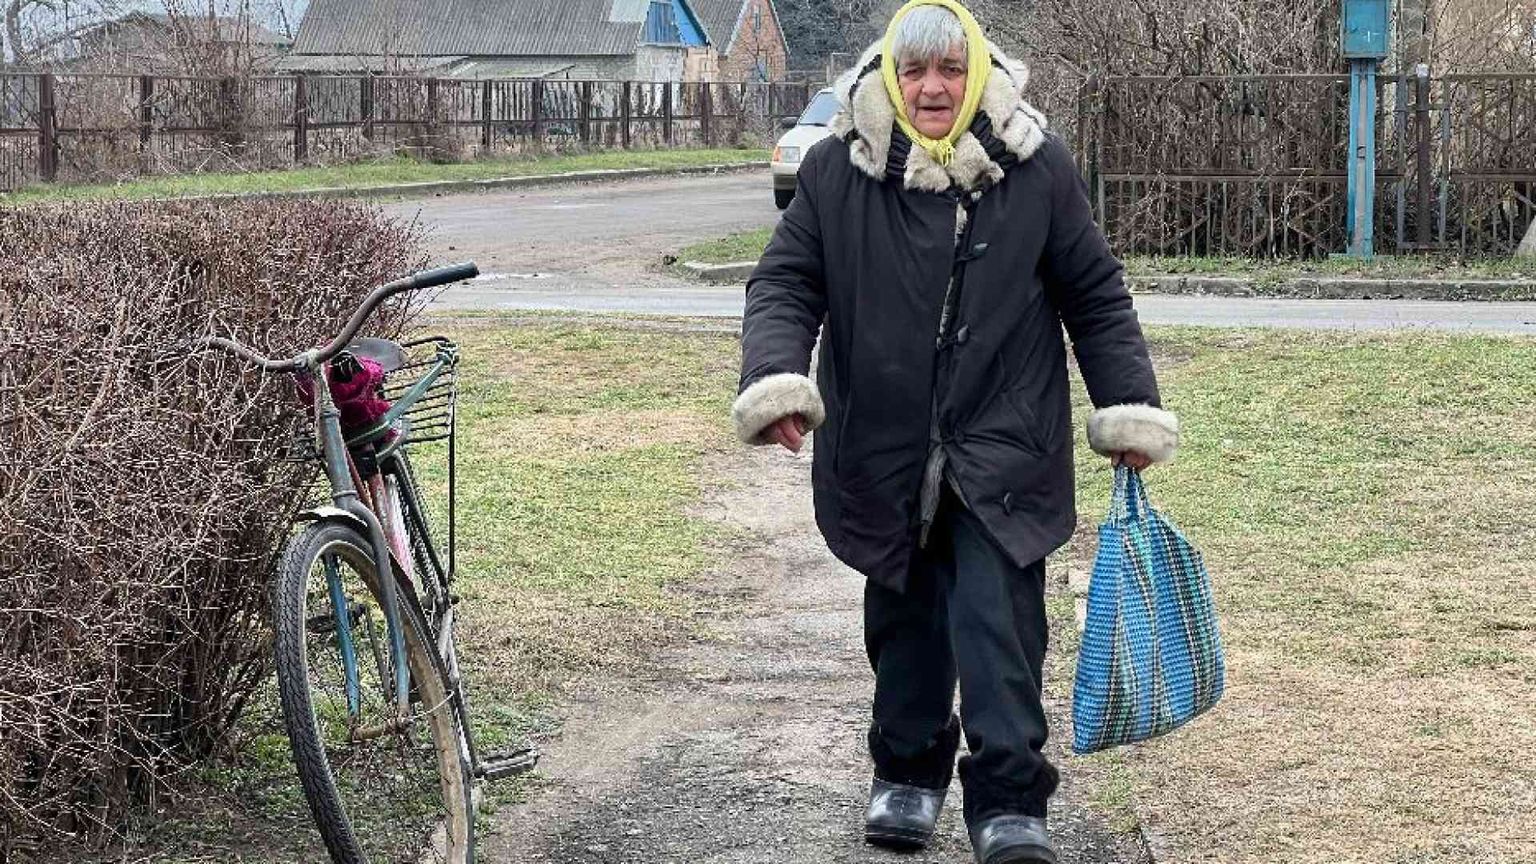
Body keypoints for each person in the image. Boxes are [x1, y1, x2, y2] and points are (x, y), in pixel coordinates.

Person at [728, 1, 1180, 862]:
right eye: (914, 71)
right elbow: (785, 282)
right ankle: (906, 772)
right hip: (883, 435)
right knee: (905, 614)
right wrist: (776, 378)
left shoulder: (1036, 169)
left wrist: (1127, 406)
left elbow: (1094, 294)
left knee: (998, 618)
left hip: (1005, 434)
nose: (932, 87)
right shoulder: (835, 172)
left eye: (949, 71)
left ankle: (1010, 796)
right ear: (890, 79)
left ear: (976, 75)